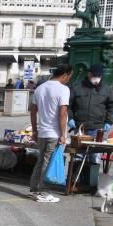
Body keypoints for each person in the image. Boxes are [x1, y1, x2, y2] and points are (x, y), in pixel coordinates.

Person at [29, 64, 73, 203]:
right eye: (69, 77)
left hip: (42, 131)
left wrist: (35, 130)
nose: (68, 80)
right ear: (65, 75)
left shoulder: (40, 88)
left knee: (41, 160)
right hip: (54, 132)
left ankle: (34, 189)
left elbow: (33, 111)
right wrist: (63, 134)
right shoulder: (63, 89)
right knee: (47, 162)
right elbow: (62, 113)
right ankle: (42, 192)